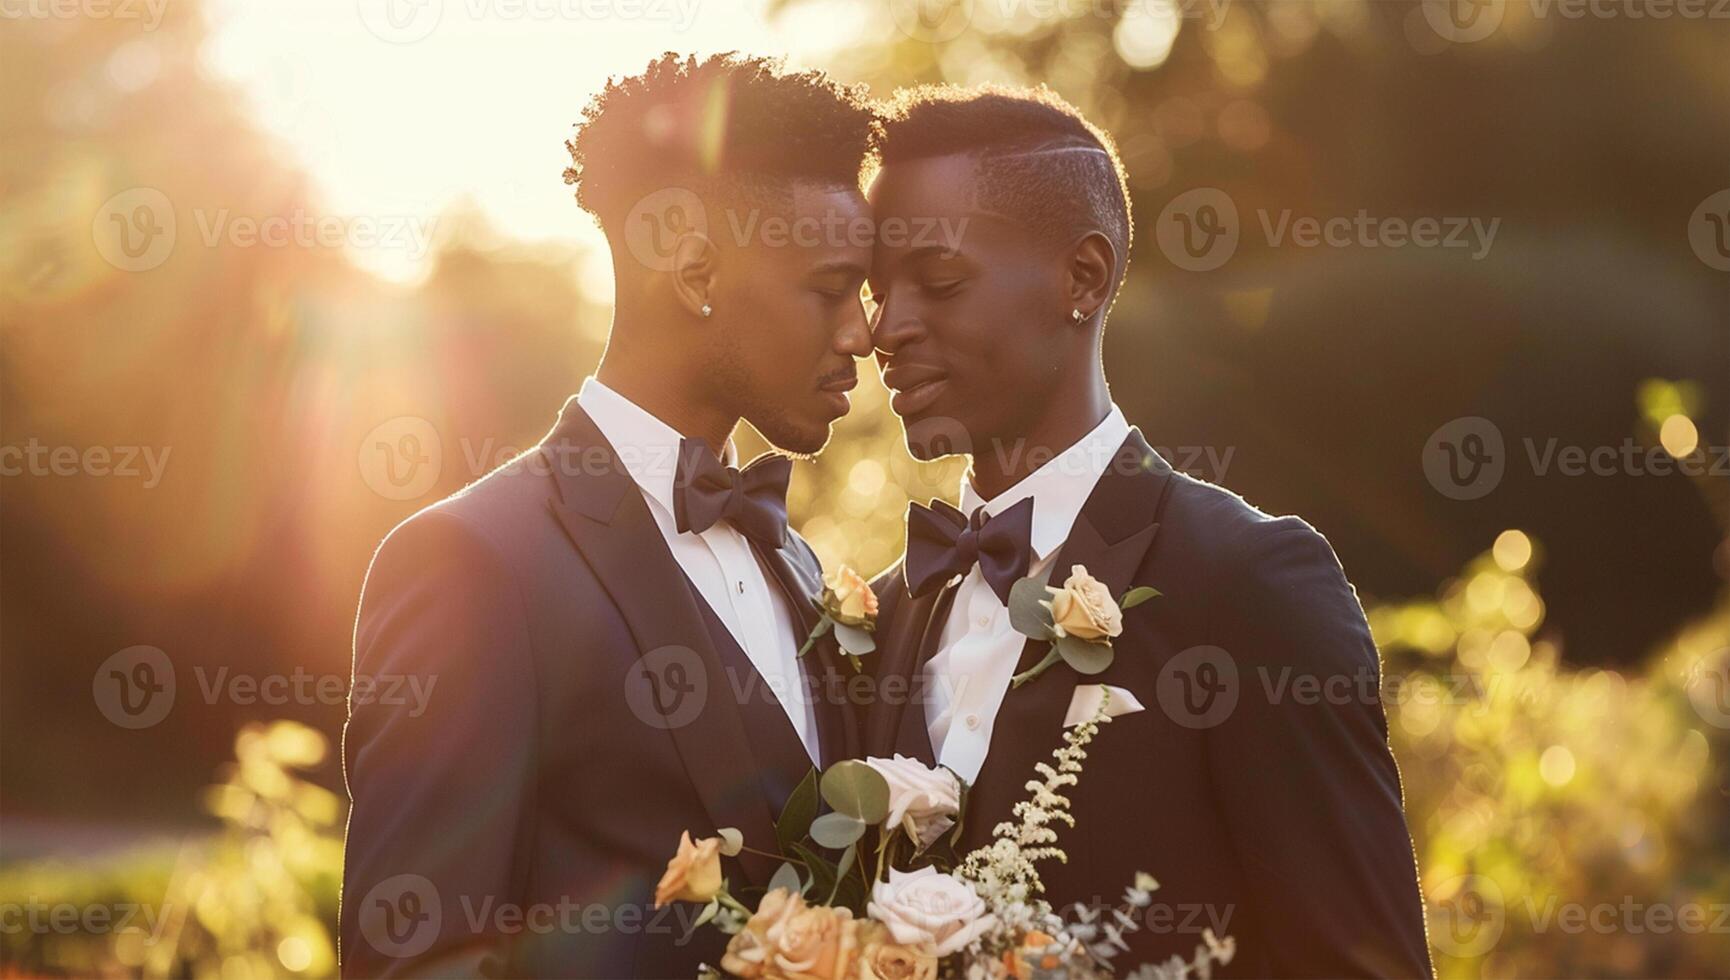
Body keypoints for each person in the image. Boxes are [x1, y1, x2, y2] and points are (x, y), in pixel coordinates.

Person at [863, 83, 1434, 977]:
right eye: (874, 291)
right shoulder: (887, 609)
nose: (884, 329)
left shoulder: (1249, 582)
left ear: (1082, 279)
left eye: (936, 282)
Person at [340, 52, 878, 978]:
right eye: (831, 289)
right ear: (697, 268)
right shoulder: (470, 563)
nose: (863, 331)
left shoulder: (793, 556)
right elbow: (415, 957)